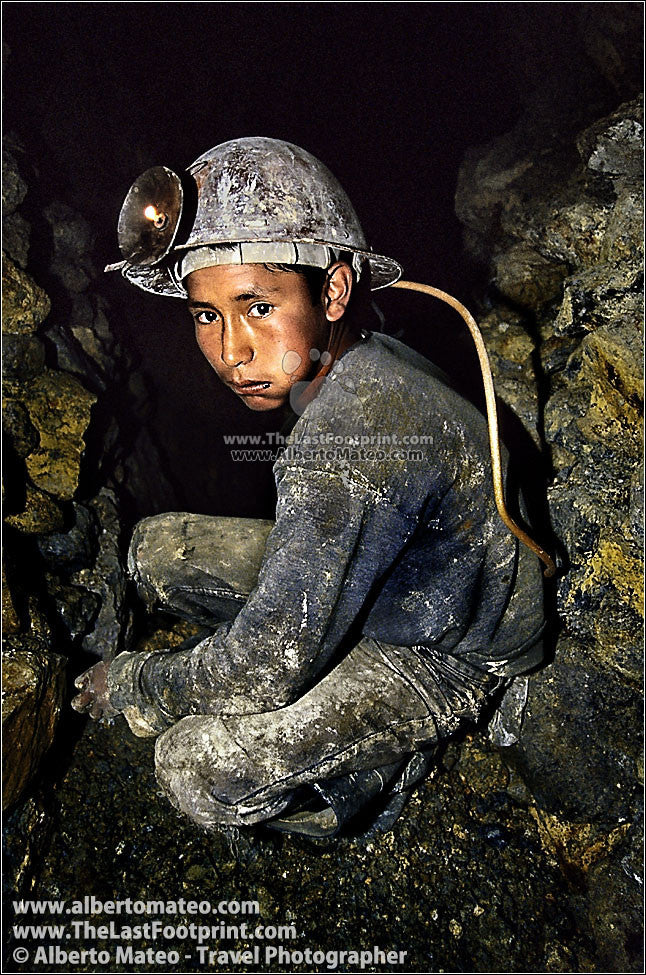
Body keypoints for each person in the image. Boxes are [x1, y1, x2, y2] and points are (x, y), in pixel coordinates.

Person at [72, 138, 546, 837]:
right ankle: (319, 675)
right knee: (156, 549)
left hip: (448, 652)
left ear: (333, 291)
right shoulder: (357, 354)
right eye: (207, 315)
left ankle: (368, 778)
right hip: (398, 584)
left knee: (192, 767)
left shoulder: (348, 442)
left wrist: (138, 682)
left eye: (258, 307)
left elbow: (265, 668)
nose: (231, 351)